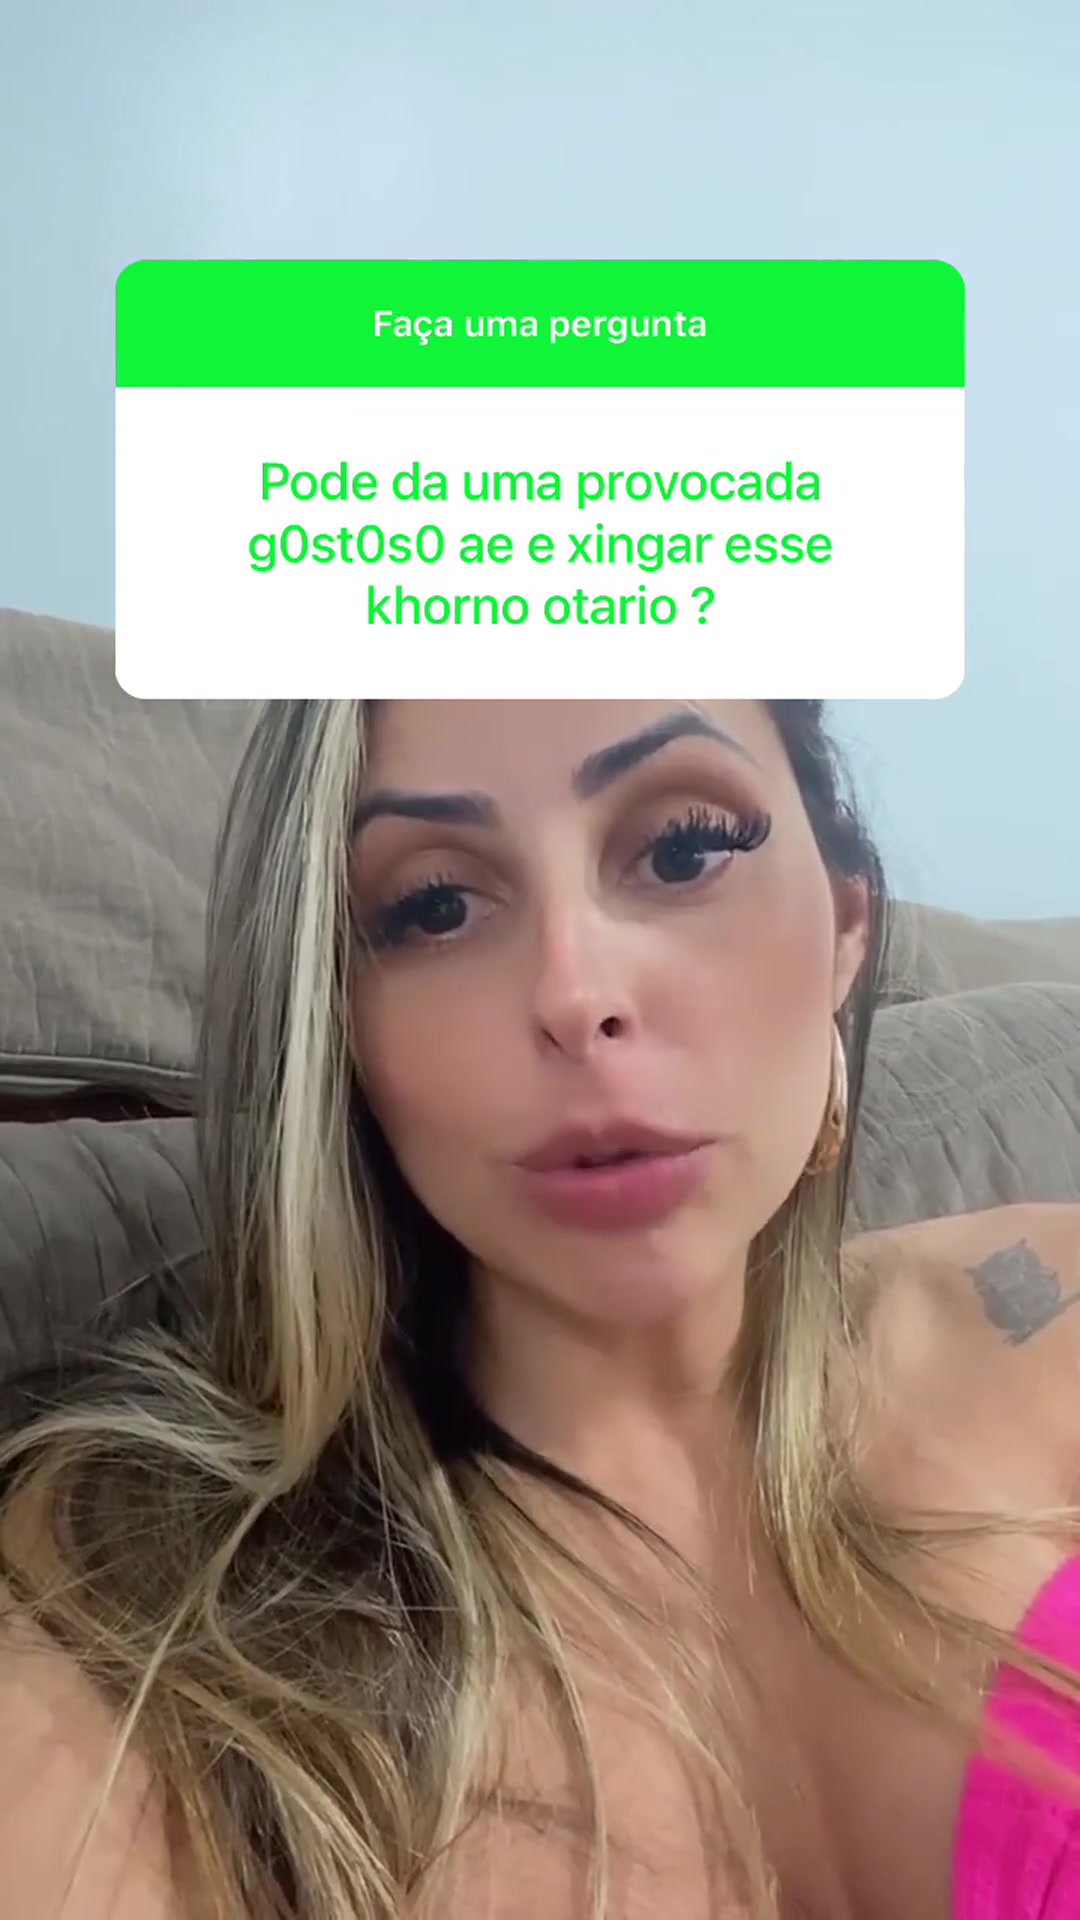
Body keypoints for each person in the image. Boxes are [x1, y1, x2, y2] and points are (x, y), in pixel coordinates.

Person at [1, 698, 1079, 1920]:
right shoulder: (131, 1622)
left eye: (684, 848)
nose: (577, 991)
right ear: (340, 1030)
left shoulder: (1048, 1314)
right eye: (435, 908)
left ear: (844, 922)